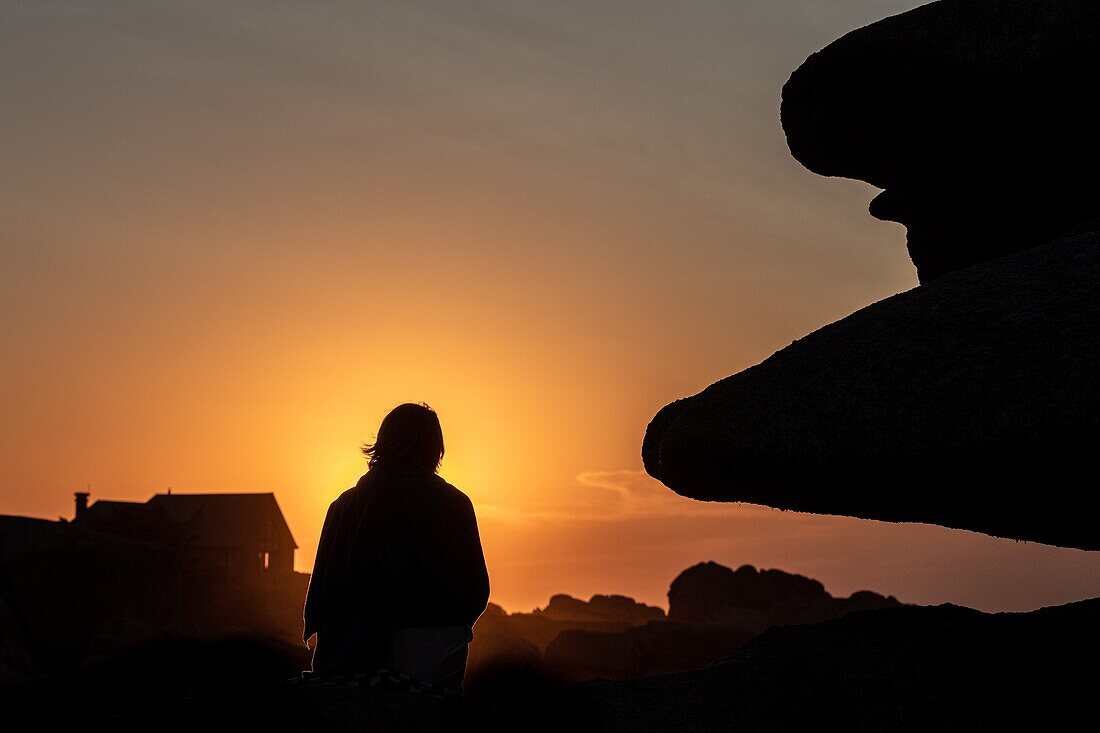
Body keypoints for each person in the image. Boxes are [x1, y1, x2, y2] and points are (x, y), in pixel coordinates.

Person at [303, 403, 490, 689]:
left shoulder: (343, 506)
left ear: (382, 442)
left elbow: (324, 585)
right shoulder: (453, 503)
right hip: (431, 641)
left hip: (349, 643)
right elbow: (476, 587)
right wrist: (452, 630)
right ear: (435, 448)